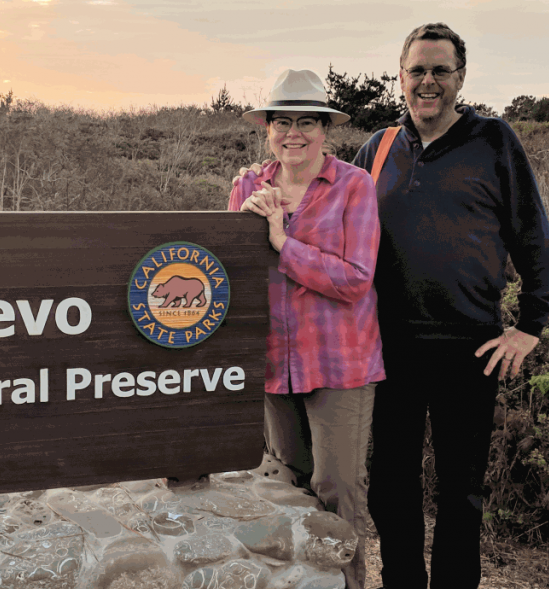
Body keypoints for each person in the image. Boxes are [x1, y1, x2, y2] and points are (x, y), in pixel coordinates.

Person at [238, 24, 549, 589]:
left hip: (471, 345)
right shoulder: (379, 148)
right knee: (390, 487)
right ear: (401, 77)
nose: (428, 81)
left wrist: (530, 325)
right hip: (387, 346)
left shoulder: (494, 140)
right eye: (417, 71)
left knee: (461, 491)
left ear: (460, 76)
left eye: (440, 70)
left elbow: (533, 234)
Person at [228, 68, 385, 589]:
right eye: (282, 122)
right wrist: (244, 231)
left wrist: (281, 244)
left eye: (307, 122)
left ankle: (350, 582)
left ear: (325, 129)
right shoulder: (249, 185)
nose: (293, 133)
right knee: (283, 483)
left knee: (337, 486)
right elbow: (228, 275)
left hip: (339, 361)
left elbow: (356, 279)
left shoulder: (353, 186)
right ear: (267, 128)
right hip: (273, 360)